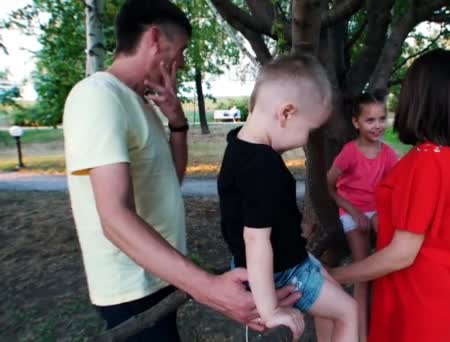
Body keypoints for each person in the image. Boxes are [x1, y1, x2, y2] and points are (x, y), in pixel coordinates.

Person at [63, 1, 299, 340]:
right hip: (130, 286)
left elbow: (168, 183)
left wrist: (176, 123)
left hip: (158, 274)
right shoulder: (98, 96)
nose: (183, 62)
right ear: (156, 38)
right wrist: (208, 288)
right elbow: (113, 217)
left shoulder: (139, 103)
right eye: (182, 49)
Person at [331, 48, 450, 341]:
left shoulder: (428, 161)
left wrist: (334, 277)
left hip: (415, 300)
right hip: (437, 292)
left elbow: (401, 254)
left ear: (419, 98)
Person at [217, 53, 358, 341]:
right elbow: (256, 240)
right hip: (281, 270)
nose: (306, 139)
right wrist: (270, 310)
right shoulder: (263, 168)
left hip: (276, 259)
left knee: (330, 291)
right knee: (349, 311)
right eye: (309, 130)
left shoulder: (237, 145)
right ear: (286, 113)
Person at [326, 92, 398, 340]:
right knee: (363, 271)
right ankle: (361, 335)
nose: (377, 125)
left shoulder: (388, 154)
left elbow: (392, 189)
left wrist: (381, 215)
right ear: (356, 122)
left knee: (388, 262)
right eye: (370, 120)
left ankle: (384, 323)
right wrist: (354, 211)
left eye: (382, 118)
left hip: (376, 208)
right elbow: (330, 185)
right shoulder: (349, 152)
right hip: (351, 208)